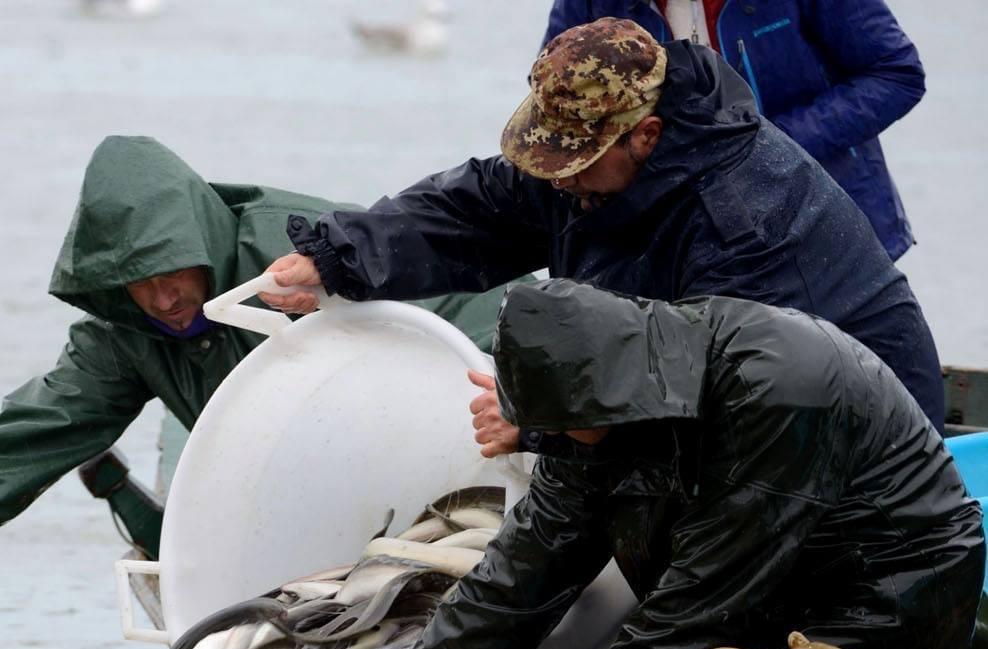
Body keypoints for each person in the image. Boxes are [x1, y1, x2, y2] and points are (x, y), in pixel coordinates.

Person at [348, 280, 983, 649]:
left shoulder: (778, 384)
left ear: (613, 389)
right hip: (774, 579)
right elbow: (524, 566)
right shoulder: (594, 413)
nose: (564, 441)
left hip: (893, 579)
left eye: (570, 425)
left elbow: (711, 585)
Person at [261, 18, 946, 463]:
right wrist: (335, 257)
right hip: (722, 405)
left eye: (576, 162)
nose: (559, 179)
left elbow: (708, 397)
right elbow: (478, 209)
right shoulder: (594, 164)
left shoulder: (740, 224)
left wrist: (539, 426)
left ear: (645, 136)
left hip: (851, 446)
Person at [0, 136, 517, 588]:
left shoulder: (294, 254)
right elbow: (53, 417)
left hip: (455, 445)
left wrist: (516, 391)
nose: (164, 296)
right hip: (316, 504)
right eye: (137, 283)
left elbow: (454, 289)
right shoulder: (130, 331)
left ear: (199, 239)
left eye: (170, 270)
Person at [540, 1, 925, 260]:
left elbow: (896, 72)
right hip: (673, 242)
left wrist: (759, 148)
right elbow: (552, 102)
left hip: (824, 228)